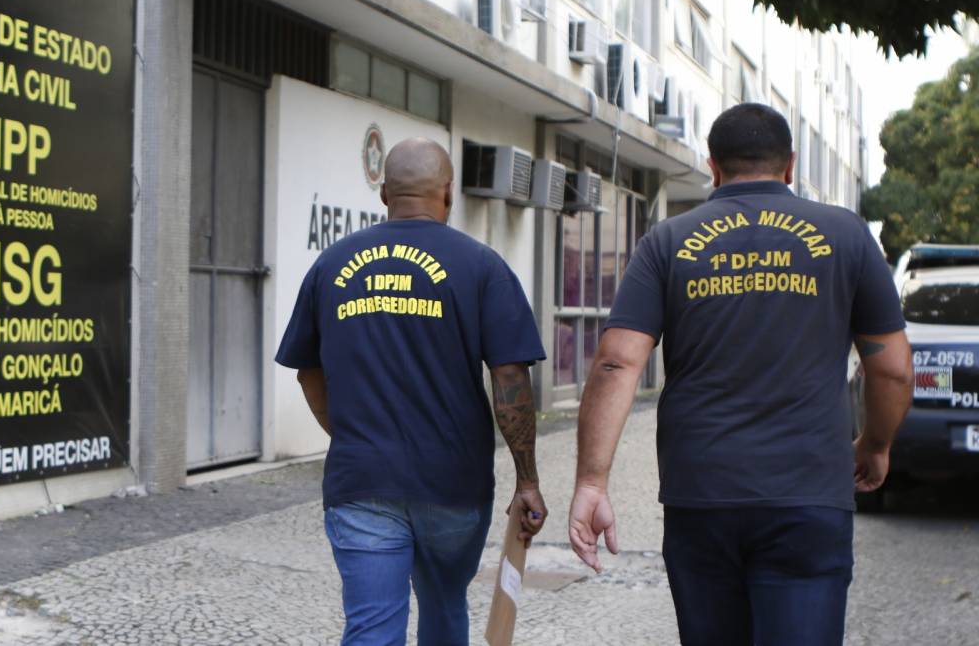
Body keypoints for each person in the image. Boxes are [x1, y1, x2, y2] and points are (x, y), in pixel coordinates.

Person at [566, 103, 913, 645]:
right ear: (791, 165)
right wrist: (874, 443)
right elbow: (890, 370)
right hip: (809, 494)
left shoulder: (668, 239)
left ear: (713, 166)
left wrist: (591, 482)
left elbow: (617, 361)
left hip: (703, 494)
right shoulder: (845, 235)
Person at [276, 137, 548, 645]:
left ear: (384, 193)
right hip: (453, 484)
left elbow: (306, 371)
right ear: (448, 192)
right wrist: (527, 480)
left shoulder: (331, 265)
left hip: (362, 480)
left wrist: (353, 432)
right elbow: (510, 377)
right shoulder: (482, 266)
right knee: (445, 606)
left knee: (372, 629)